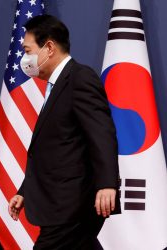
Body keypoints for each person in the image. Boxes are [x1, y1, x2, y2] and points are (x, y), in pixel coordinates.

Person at [8, 15, 121, 249]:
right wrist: (25, 191)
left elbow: (102, 133)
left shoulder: (80, 78)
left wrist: (107, 183)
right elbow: (59, 150)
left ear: (49, 47)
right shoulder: (57, 85)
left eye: (28, 50)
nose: (25, 59)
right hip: (64, 205)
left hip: (72, 205)